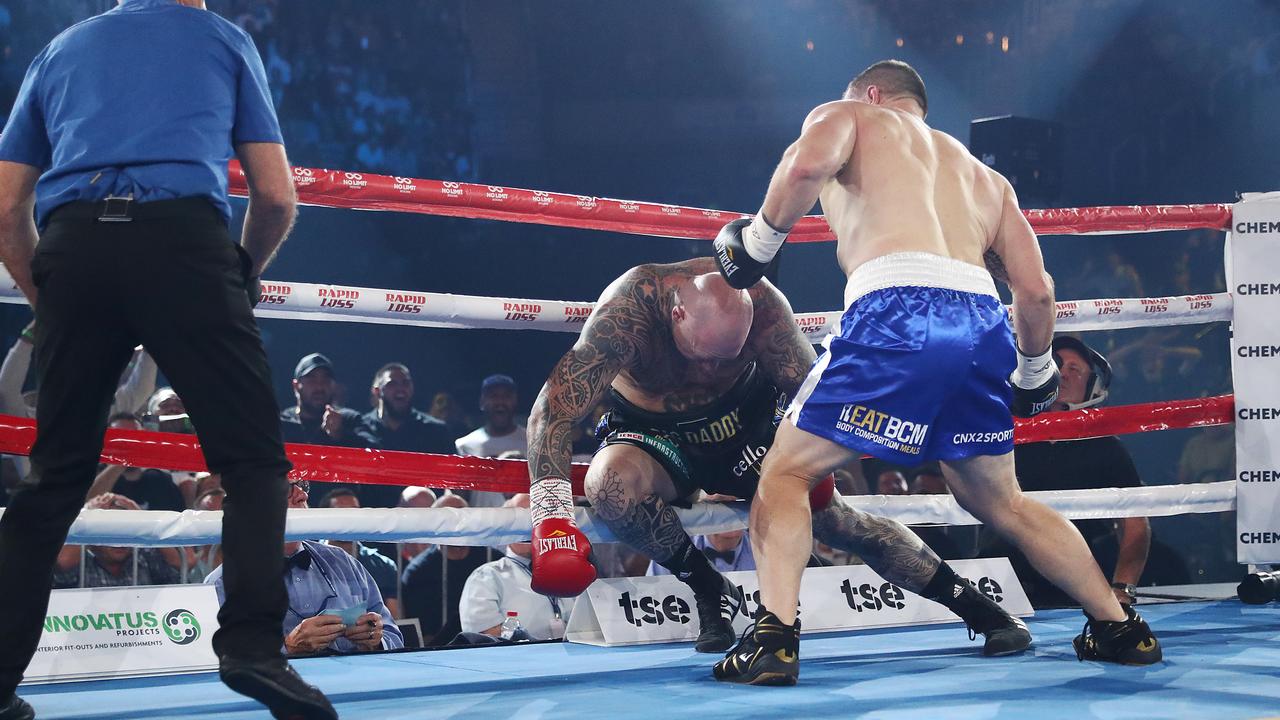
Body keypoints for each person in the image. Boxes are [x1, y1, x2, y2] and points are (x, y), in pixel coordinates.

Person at [708, 59, 1160, 684]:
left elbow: (806, 166)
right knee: (1004, 501)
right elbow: (1036, 292)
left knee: (784, 472)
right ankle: (1118, 627)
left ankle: (773, 641)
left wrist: (755, 245)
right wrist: (1032, 372)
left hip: (897, 309)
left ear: (871, 94)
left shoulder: (850, 117)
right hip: (982, 324)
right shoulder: (985, 177)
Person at [0, 1, 335, 716]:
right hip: (182, 244)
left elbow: (4, 207)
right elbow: (275, 196)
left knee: (53, 481)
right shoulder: (220, 39)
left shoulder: (60, 49)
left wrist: (47, 298)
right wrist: (237, 276)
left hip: (74, 248)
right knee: (251, 464)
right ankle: (250, 647)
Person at [526, 259, 1028, 655]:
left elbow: (813, 392)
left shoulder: (766, 307)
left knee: (837, 522)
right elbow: (552, 411)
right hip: (652, 436)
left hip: (747, 424)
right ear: (676, 312)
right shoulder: (628, 311)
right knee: (606, 489)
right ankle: (707, 588)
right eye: (702, 353)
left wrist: (816, 464)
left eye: (727, 356)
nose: (710, 367)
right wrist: (551, 519)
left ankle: (977, 607)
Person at [982, 336, 1152, 608]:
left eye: (1075, 369)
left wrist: (1123, 587)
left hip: (1080, 579)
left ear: (1092, 385)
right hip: (1004, 578)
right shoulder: (1004, 435)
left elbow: (1134, 521)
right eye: (1056, 365)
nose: (1063, 373)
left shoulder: (1105, 446)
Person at [207, 479, 403, 656]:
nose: (302, 494)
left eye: (303, 486)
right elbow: (217, 662)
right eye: (287, 488)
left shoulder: (343, 563)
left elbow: (394, 638)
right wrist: (287, 647)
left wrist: (376, 640)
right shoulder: (222, 584)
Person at [460, 494, 575, 641]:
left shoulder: (568, 572)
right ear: (506, 528)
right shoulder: (486, 577)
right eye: (519, 522)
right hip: (518, 661)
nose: (526, 528)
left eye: (534, 520)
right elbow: (482, 638)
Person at [355, 362, 455, 507]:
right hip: (373, 520)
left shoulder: (436, 430)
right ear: (377, 391)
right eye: (392, 384)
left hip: (426, 519)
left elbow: (454, 481)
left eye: (405, 383)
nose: (400, 389)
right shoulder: (360, 429)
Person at [399, 493, 489, 645]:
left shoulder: (491, 558)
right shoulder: (418, 572)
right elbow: (423, 635)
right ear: (436, 524)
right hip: (440, 651)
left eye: (463, 514)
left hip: (489, 644)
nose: (459, 522)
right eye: (450, 516)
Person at [319, 488, 402, 618]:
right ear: (324, 519)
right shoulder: (307, 561)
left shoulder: (383, 566)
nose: (349, 519)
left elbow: (395, 621)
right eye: (341, 513)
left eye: (354, 512)